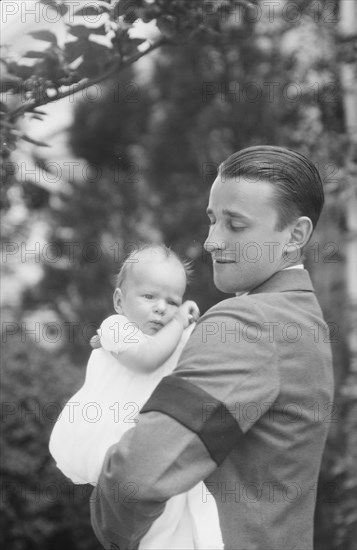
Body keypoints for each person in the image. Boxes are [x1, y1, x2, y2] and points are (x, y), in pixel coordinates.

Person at [90, 146, 335, 550]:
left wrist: (112, 531)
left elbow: (139, 475)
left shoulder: (247, 324)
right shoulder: (303, 320)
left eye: (235, 225)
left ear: (295, 235)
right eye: (212, 220)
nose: (211, 242)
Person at [49, 244, 224, 550]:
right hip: (118, 446)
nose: (161, 308)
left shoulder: (172, 336)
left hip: (157, 450)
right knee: (153, 529)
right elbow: (146, 360)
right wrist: (180, 321)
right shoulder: (116, 328)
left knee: (188, 522)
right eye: (149, 297)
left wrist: (192, 327)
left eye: (173, 301)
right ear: (119, 301)